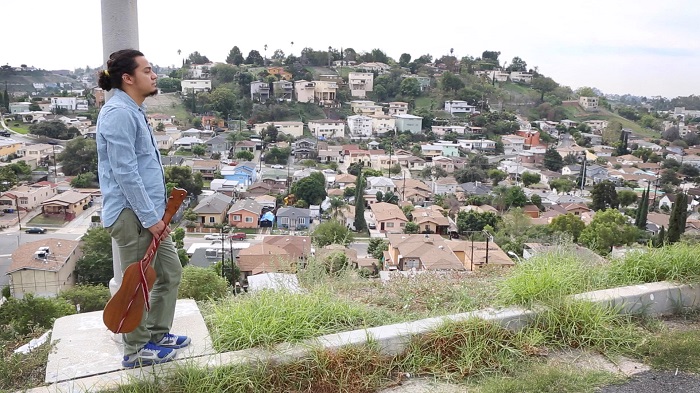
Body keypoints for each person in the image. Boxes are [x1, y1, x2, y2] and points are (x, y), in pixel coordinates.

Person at [96, 49, 190, 368]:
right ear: (128, 78)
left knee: (169, 272)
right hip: (133, 215)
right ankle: (136, 350)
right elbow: (124, 171)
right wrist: (151, 219)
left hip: (149, 214)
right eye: (147, 70)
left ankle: (156, 335)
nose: (154, 76)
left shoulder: (134, 109)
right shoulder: (119, 113)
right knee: (138, 282)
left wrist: (156, 214)